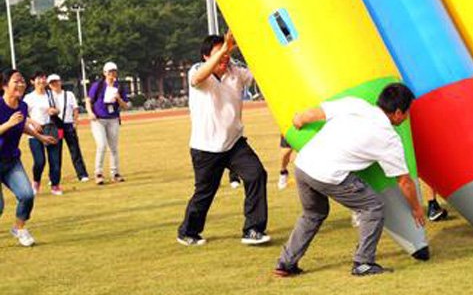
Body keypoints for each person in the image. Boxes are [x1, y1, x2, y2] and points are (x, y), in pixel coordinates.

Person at [274, 83, 426, 277]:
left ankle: (285, 263)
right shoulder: (389, 138)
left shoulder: (356, 105)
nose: (406, 118)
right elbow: (404, 181)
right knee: (373, 207)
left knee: (313, 214)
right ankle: (363, 262)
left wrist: (299, 119)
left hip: (303, 165)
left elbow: (314, 114)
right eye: (407, 113)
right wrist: (416, 208)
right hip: (328, 174)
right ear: (397, 112)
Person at [177, 33, 270, 247]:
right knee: (205, 192)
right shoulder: (198, 72)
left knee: (256, 174)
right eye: (220, 52)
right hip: (206, 147)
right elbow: (198, 77)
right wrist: (223, 48)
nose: (225, 56)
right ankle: (188, 231)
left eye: (227, 51)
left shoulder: (236, 72)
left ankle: (253, 229)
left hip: (234, 142)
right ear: (206, 56)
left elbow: (260, 74)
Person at [0, 69, 58, 246]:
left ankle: (19, 228)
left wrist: (40, 137)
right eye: (16, 81)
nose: (21, 84)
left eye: (22, 81)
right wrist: (8, 124)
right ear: (4, 86)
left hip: (11, 161)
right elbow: (13, 124)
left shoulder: (23, 106)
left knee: (27, 195)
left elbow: (21, 125)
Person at [86, 62, 131, 184]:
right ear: (104, 73)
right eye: (109, 72)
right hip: (98, 119)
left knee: (113, 147)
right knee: (101, 145)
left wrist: (119, 99)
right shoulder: (98, 85)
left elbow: (126, 106)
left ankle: (115, 172)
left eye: (114, 72)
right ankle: (98, 173)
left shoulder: (119, 87)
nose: (112, 74)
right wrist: (90, 112)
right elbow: (88, 100)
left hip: (113, 119)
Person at [23, 71, 63, 195]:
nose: (42, 81)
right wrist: (33, 123)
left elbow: (58, 109)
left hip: (51, 129)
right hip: (35, 133)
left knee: (55, 160)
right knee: (39, 161)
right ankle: (36, 182)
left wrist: (54, 111)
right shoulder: (29, 98)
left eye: (44, 78)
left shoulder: (51, 95)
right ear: (32, 81)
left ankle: (55, 185)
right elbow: (23, 115)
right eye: (39, 78)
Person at [47, 74, 88, 182]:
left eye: (56, 81)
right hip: (56, 127)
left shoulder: (68, 94)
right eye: (52, 83)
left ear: (60, 82)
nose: (55, 84)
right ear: (49, 85)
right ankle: (54, 177)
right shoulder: (48, 96)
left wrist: (75, 122)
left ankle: (82, 174)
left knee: (74, 150)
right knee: (56, 151)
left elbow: (75, 109)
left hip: (68, 125)